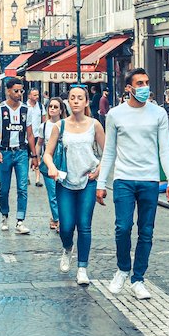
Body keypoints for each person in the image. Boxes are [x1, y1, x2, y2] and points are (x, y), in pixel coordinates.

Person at [96, 66, 169, 300]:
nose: (145, 88)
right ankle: (122, 269)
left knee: (146, 231)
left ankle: (138, 278)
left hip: (149, 179)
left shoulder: (158, 114)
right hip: (123, 179)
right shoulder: (115, 114)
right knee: (123, 227)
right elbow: (109, 150)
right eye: (139, 84)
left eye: (146, 83)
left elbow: (165, 149)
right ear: (129, 88)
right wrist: (102, 182)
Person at [44, 86, 105, 287]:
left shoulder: (95, 125)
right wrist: (51, 167)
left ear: (87, 102)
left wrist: (99, 171)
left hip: (88, 180)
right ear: (68, 103)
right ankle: (67, 247)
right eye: (72, 98)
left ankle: (82, 268)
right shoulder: (59, 126)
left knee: (84, 225)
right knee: (67, 226)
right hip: (65, 181)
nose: (76, 101)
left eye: (80, 98)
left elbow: (108, 152)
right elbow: (47, 153)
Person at [0, 77, 38, 234]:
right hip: (4, 151)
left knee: (22, 187)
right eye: (16, 91)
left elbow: (30, 134)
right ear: (8, 91)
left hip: (21, 152)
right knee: (4, 188)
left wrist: (34, 155)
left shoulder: (27, 110)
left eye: (21, 91)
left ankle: (20, 220)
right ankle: (4, 215)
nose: (19, 93)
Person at [41, 96, 66, 231]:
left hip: (62, 163)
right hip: (48, 162)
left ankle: (62, 219)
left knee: (62, 193)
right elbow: (40, 143)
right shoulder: (44, 125)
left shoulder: (66, 124)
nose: (52, 109)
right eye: (50, 106)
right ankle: (57, 219)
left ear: (61, 110)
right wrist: (35, 158)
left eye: (56, 107)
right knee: (52, 194)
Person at [26, 88, 45, 186]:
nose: (36, 97)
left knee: (37, 156)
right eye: (34, 95)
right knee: (26, 157)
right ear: (29, 96)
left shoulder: (41, 107)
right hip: (26, 136)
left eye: (37, 95)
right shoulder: (25, 106)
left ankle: (37, 179)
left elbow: (44, 120)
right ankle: (27, 177)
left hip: (38, 135)